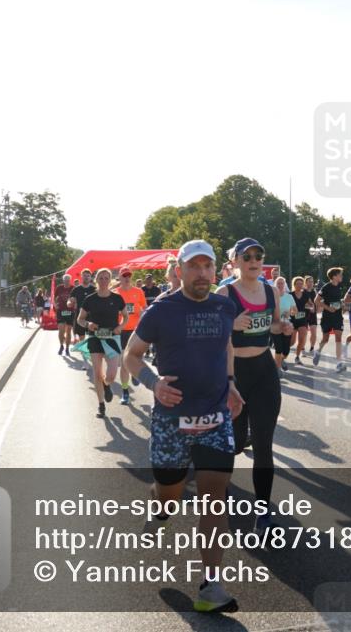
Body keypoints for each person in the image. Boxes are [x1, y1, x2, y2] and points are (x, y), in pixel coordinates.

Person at [122, 239, 244, 614]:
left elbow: (225, 346)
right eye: (195, 266)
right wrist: (154, 383)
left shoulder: (225, 306)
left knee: (214, 499)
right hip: (171, 422)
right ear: (180, 269)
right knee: (170, 495)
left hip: (214, 419)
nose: (203, 273)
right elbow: (131, 355)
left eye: (208, 266)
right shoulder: (162, 311)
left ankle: (210, 586)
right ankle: (159, 510)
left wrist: (231, 383)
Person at [216, 238, 293, 531]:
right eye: (246, 256)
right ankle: (219, 498)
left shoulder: (271, 291)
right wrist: (231, 325)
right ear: (235, 261)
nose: (253, 260)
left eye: (258, 255)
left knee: (263, 445)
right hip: (233, 374)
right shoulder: (225, 293)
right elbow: (214, 337)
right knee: (232, 444)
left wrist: (282, 327)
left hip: (263, 372)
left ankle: (263, 513)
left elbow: (273, 325)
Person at [76, 269, 128, 417]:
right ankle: (101, 405)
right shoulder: (90, 299)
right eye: (101, 278)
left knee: (111, 374)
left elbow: (125, 317)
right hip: (95, 338)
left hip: (112, 338)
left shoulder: (117, 298)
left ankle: (107, 385)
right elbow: (80, 319)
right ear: (96, 280)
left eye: (106, 278)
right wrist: (88, 324)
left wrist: (120, 327)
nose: (104, 280)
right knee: (97, 374)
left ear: (110, 280)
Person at [115, 267, 148, 405]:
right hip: (122, 331)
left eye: (129, 275)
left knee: (136, 359)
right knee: (123, 363)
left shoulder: (138, 291)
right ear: (120, 278)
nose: (127, 278)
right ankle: (125, 391)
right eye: (124, 275)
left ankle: (135, 374)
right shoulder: (116, 293)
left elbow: (145, 308)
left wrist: (144, 317)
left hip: (136, 331)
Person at [312, 267, 347, 372]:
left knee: (338, 337)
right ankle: (318, 351)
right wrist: (328, 308)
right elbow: (316, 300)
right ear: (334, 276)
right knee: (325, 339)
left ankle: (339, 363)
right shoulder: (326, 287)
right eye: (340, 275)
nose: (341, 277)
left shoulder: (340, 286)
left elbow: (338, 300)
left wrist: (342, 305)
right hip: (327, 317)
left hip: (337, 317)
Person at [272, 277, 297, 376]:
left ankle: (280, 360)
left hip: (286, 324)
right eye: (278, 283)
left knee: (286, 350)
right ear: (275, 285)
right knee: (278, 347)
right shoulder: (272, 297)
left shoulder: (289, 297)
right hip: (274, 324)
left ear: (285, 285)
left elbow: (295, 311)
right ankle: (277, 368)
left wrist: (290, 313)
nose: (280, 285)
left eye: (282, 283)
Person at [288, 276, 311, 365]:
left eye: (301, 284)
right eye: (297, 284)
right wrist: (291, 311)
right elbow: (287, 306)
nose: (299, 285)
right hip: (292, 320)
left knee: (302, 339)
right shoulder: (290, 294)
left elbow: (311, 304)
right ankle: (283, 351)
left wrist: (310, 308)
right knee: (292, 342)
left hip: (303, 320)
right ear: (294, 285)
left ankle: (297, 357)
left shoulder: (305, 294)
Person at [70, 269, 95, 343]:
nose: (86, 277)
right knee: (81, 336)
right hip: (80, 316)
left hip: (92, 316)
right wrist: (70, 302)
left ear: (90, 277)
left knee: (92, 336)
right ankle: (83, 352)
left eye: (88, 276)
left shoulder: (94, 289)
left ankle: (90, 352)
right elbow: (71, 298)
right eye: (84, 276)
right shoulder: (76, 289)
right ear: (81, 277)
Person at [54, 274, 74, 355]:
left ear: (70, 280)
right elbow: (54, 297)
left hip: (70, 311)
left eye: (68, 280)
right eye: (65, 280)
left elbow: (75, 298)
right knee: (61, 330)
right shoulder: (59, 288)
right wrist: (55, 305)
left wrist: (74, 304)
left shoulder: (73, 288)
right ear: (63, 280)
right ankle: (61, 345)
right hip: (61, 311)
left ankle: (67, 348)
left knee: (68, 331)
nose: (66, 282)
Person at [304, 276, 318, 351]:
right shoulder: (303, 292)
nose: (311, 283)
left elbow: (317, 302)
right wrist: (310, 307)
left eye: (312, 281)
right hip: (304, 314)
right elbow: (301, 304)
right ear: (305, 282)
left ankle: (312, 348)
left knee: (314, 333)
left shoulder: (314, 292)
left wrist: (318, 308)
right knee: (304, 333)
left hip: (313, 315)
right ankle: (302, 347)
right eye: (309, 281)